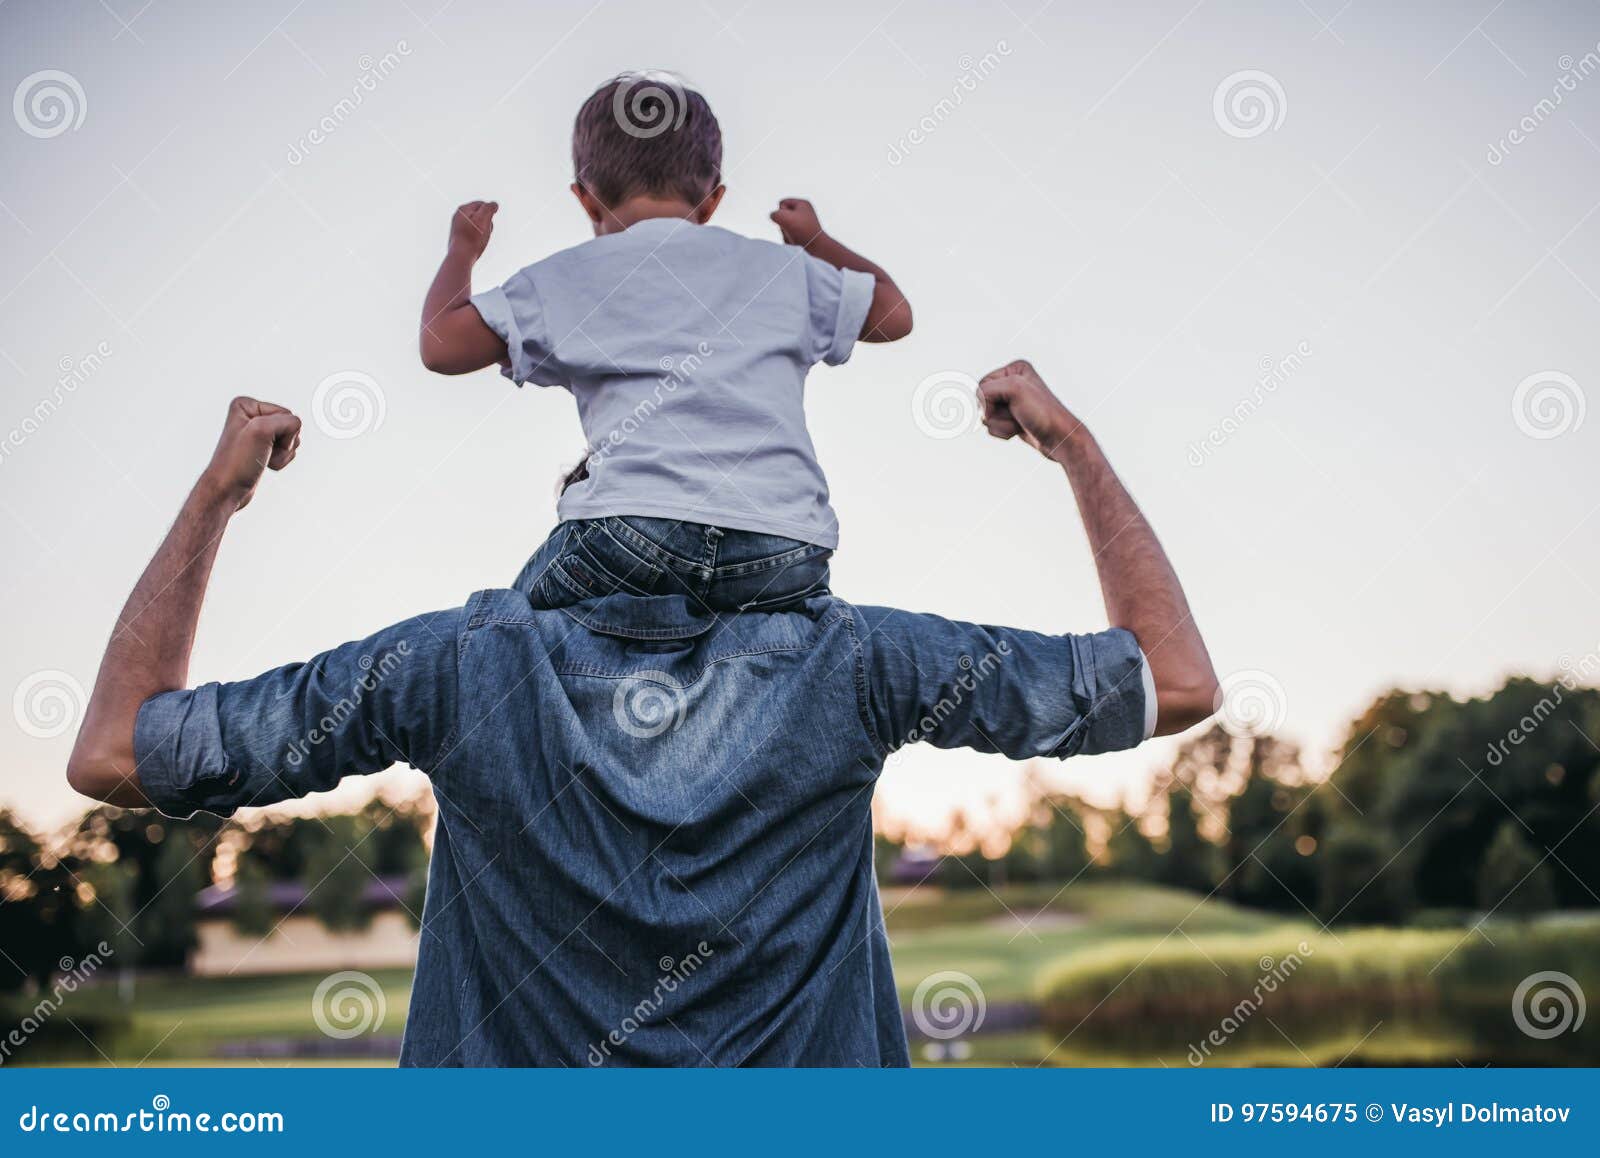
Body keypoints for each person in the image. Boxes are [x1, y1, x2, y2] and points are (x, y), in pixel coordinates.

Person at [66, 361, 1219, 1066]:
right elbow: (1175, 682)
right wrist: (1072, 445)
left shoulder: (454, 668)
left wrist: (219, 496)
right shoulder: (856, 662)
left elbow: (117, 748)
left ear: (574, 517)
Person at [417, 72, 912, 614]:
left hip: (633, 537)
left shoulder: (570, 276)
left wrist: (461, 250)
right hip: (785, 548)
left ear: (585, 199)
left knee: (506, 630)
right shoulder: (781, 270)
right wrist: (815, 241)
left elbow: (441, 346)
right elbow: (895, 314)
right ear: (714, 199)